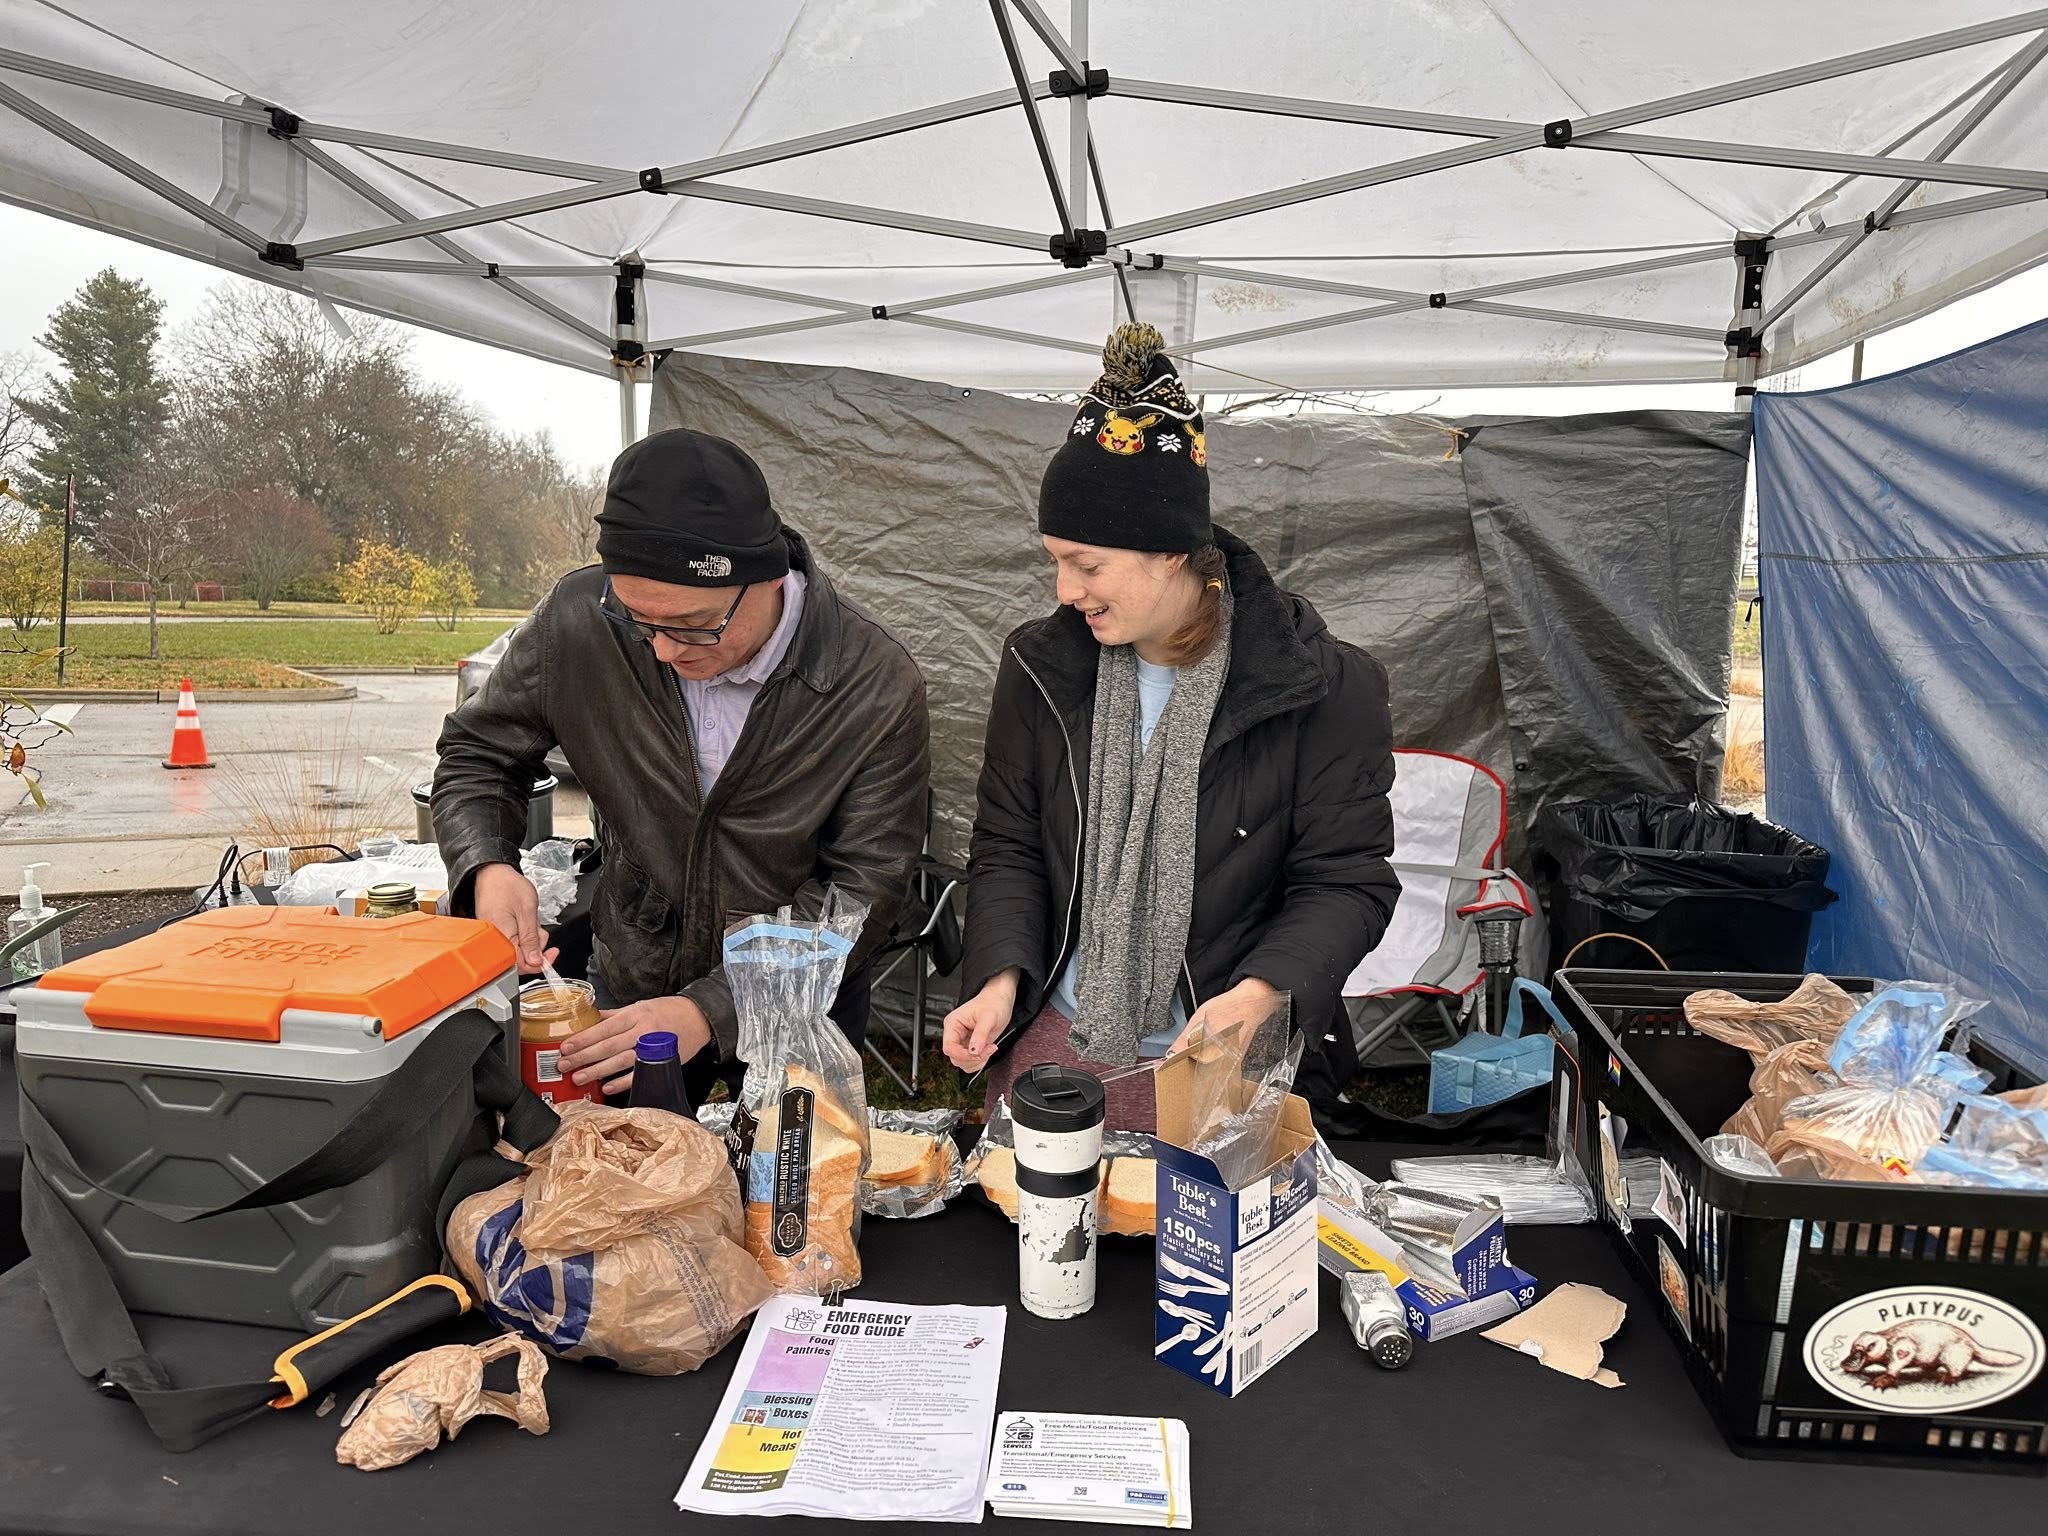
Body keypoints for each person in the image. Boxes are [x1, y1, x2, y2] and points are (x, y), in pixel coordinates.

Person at [942, 323, 1400, 1131]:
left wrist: (1262, 992)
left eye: (1087, 563)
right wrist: (999, 977)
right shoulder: (1041, 667)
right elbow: (1009, 842)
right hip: (1055, 1037)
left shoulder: (1325, 687)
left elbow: (1346, 881)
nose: (1065, 588)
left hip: (1219, 1053)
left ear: (1170, 551)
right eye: (1054, 559)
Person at [434, 427, 930, 1098]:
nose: (664, 651)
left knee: (782, 1196)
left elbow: (864, 890)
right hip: (630, 985)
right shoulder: (579, 621)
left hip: (796, 1013)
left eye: (693, 626)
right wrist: (487, 866)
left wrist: (711, 1009)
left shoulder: (872, 680)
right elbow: (477, 752)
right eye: (641, 622)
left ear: (764, 576)